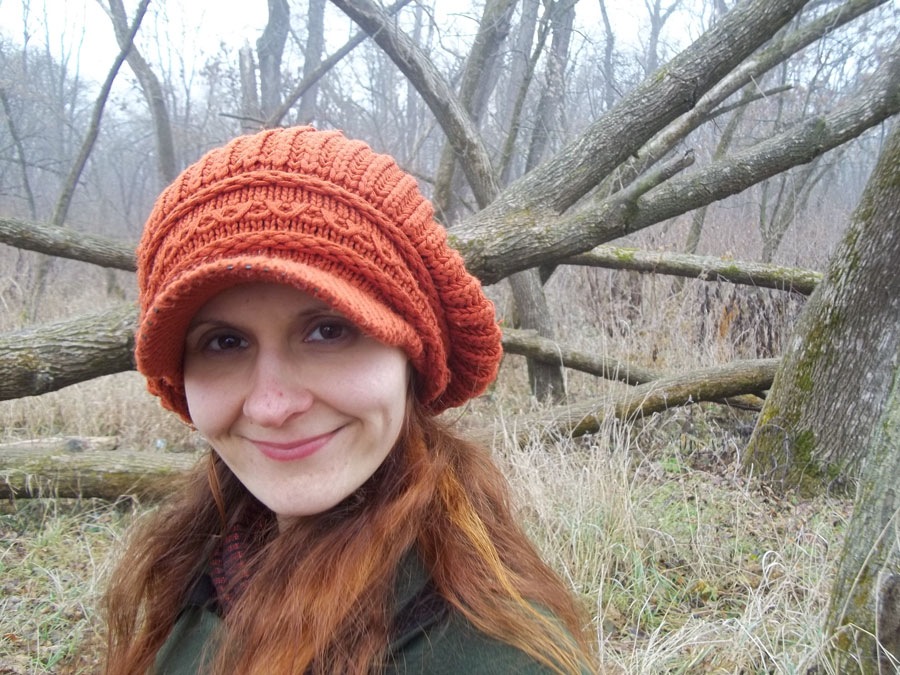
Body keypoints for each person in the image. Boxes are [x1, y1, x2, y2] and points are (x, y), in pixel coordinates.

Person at [104, 126, 597, 674]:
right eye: (224, 343)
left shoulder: (500, 656)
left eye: (329, 331)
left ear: (413, 354)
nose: (271, 406)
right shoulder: (208, 554)